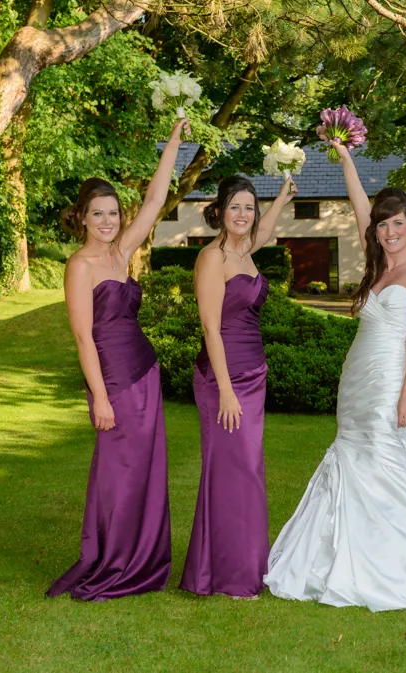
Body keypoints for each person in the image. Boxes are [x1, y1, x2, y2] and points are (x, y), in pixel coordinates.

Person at [263, 137, 406, 611]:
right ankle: (343, 552)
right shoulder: (378, 265)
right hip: (356, 378)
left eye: (397, 224)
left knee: (387, 460)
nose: (389, 232)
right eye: (383, 226)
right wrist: (345, 160)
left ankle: (405, 559)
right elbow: (361, 208)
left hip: (390, 381)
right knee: (352, 456)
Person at [47, 118, 190, 601]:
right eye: (99, 214)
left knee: (146, 470)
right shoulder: (80, 266)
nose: (108, 221)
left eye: (112, 213)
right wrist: (101, 398)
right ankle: (111, 560)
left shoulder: (122, 253)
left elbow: (153, 202)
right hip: (113, 381)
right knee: (117, 473)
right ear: (82, 218)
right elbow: (83, 339)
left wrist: (173, 140)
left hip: (145, 372)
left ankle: (143, 558)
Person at [180, 174, 297, 598]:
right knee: (233, 473)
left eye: (249, 207)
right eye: (235, 207)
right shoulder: (213, 258)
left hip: (253, 375)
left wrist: (284, 194)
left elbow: (265, 229)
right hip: (223, 380)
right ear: (220, 211)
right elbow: (211, 328)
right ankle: (228, 576)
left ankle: (243, 566)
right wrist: (226, 391)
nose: (243, 215)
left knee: (247, 472)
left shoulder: (246, 251)